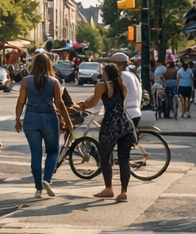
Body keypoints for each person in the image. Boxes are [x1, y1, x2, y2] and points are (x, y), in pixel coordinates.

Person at [13, 53, 75, 198]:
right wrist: (68, 121)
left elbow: (21, 102)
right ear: (49, 65)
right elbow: (59, 104)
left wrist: (17, 119)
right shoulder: (54, 82)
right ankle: (47, 179)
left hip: (31, 118)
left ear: (33, 64)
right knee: (53, 151)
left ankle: (38, 189)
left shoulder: (26, 81)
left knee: (36, 155)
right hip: (49, 118)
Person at [76, 63, 137, 202]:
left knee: (104, 156)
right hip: (125, 124)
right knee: (124, 159)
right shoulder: (123, 87)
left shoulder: (101, 86)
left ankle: (108, 188)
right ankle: (123, 192)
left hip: (110, 124)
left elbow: (93, 102)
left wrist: (83, 104)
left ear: (106, 73)